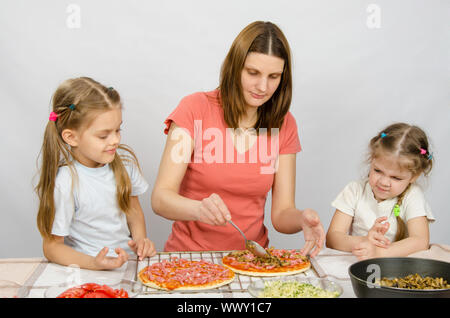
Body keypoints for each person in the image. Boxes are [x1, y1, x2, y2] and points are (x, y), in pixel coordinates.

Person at [151, 21, 325, 257]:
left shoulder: (284, 124)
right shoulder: (194, 109)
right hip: (190, 258)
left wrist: (301, 218)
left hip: (252, 259)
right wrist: (198, 209)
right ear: (235, 67)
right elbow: (161, 199)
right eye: (253, 73)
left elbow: (282, 213)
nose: (262, 87)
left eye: (273, 76)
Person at [35, 77, 156, 270]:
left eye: (118, 130)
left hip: (128, 267)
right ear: (71, 137)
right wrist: (94, 263)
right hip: (87, 273)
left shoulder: (124, 166)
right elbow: (52, 247)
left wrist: (141, 240)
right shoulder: (66, 182)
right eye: (103, 135)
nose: (115, 140)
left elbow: (133, 210)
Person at [326, 122, 435, 260]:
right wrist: (365, 242)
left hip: (397, 272)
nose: (383, 182)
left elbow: (420, 241)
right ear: (372, 159)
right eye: (378, 171)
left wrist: (378, 252)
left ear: (414, 176)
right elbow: (332, 238)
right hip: (356, 266)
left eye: (395, 177)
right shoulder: (355, 190)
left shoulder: (412, 195)